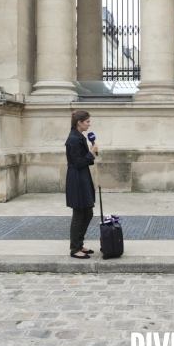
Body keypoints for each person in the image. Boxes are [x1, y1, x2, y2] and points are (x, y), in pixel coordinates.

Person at [66, 110, 98, 259]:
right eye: (87, 122)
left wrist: (91, 153)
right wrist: (91, 152)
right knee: (79, 213)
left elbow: (86, 160)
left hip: (83, 176)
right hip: (76, 178)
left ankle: (79, 244)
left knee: (88, 212)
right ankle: (74, 248)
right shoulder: (73, 139)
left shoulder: (80, 137)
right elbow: (78, 163)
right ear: (79, 123)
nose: (89, 124)